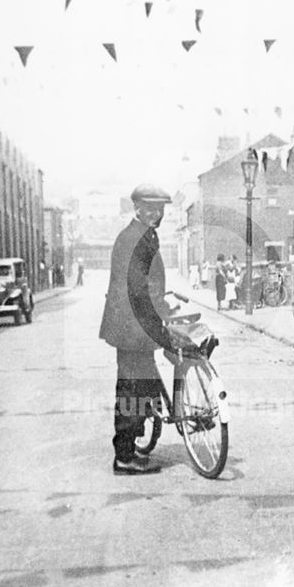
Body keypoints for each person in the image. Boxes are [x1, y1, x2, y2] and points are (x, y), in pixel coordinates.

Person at [99, 184, 175, 475]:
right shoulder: (134, 238)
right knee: (131, 390)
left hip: (137, 324)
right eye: (151, 208)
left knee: (140, 387)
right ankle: (124, 457)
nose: (157, 214)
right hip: (132, 325)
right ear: (137, 208)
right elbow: (137, 288)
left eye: (161, 209)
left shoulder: (143, 234)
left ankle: (131, 448)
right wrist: (159, 314)